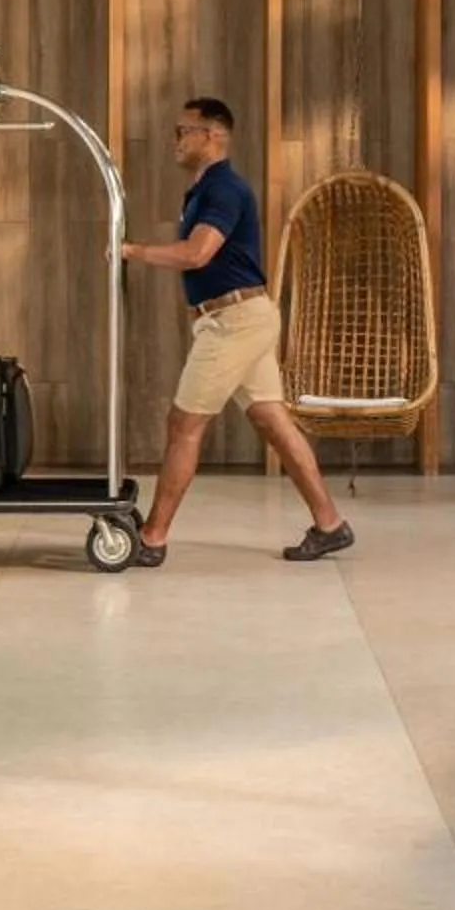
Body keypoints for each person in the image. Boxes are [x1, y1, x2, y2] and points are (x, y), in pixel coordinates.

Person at [118, 97, 354, 565]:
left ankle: (153, 538)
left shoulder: (224, 188)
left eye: (184, 131)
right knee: (273, 422)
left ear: (213, 136)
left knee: (184, 424)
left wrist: (131, 251)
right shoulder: (205, 189)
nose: (176, 141)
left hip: (234, 323)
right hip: (242, 316)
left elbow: (197, 254)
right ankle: (330, 525)